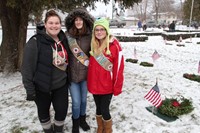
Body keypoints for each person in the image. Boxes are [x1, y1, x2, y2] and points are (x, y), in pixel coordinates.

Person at [21, 10, 70, 133]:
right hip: (42, 87)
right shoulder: (35, 41)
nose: (54, 26)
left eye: (57, 23)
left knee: (62, 111)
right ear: (45, 24)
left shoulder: (64, 40)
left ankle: (58, 130)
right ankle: (48, 131)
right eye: (51, 23)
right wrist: (30, 90)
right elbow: (27, 68)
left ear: (60, 24)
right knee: (44, 114)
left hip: (61, 85)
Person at [87, 18, 124, 133]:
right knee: (98, 109)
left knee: (104, 110)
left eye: (102, 29)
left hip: (107, 86)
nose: (99, 32)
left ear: (107, 31)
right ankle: (100, 128)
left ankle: (108, 129)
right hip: (95, 84)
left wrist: (117, 86)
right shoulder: (93, 44)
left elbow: (119, 68)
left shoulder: (114, 45)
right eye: (96, 30)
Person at [65, 8, 94, 133]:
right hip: (72, 75)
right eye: (76, 19)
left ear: (85, 21)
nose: (78, 22)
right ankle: (75, 124)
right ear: (73, 21)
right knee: (76, 102)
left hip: (86, 75)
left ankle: (83, 120)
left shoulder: (90, 36)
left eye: (80, 19)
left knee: (83, 100)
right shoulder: (67, 36)